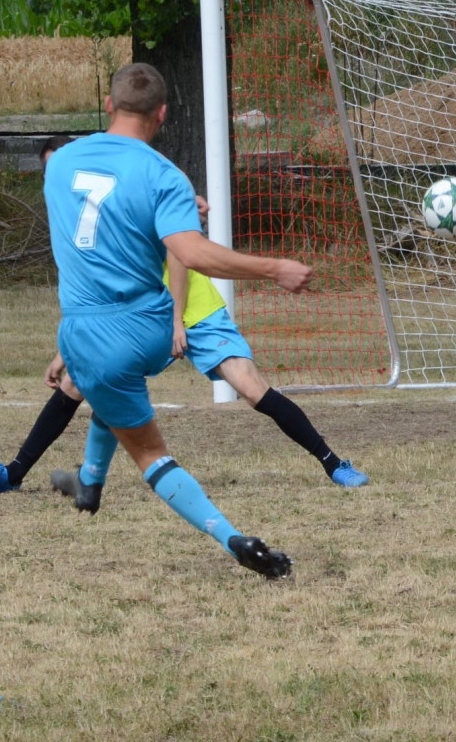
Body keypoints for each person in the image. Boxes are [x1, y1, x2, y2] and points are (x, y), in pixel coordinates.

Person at [24, 62, 311, 578]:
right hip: (154, 327)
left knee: (151, 454)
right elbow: (190, 252)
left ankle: (233, 538)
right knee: (116, 391)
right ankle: (89, 481)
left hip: (91, 332)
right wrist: (274, 266)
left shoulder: (60, 163)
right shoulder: (164, 175)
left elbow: (99, 221)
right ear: (161, 113)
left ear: (109, 105)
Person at [0, 139, 369, 499]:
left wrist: (177, 320)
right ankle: (12, 474)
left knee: (251, 388)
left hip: (192, 309)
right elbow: (99, 301)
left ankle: (333, 463)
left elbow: (178, 252)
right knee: (76, 383)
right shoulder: (82, 220)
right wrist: (66, 353)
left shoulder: (127, 188)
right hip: (141, 317)